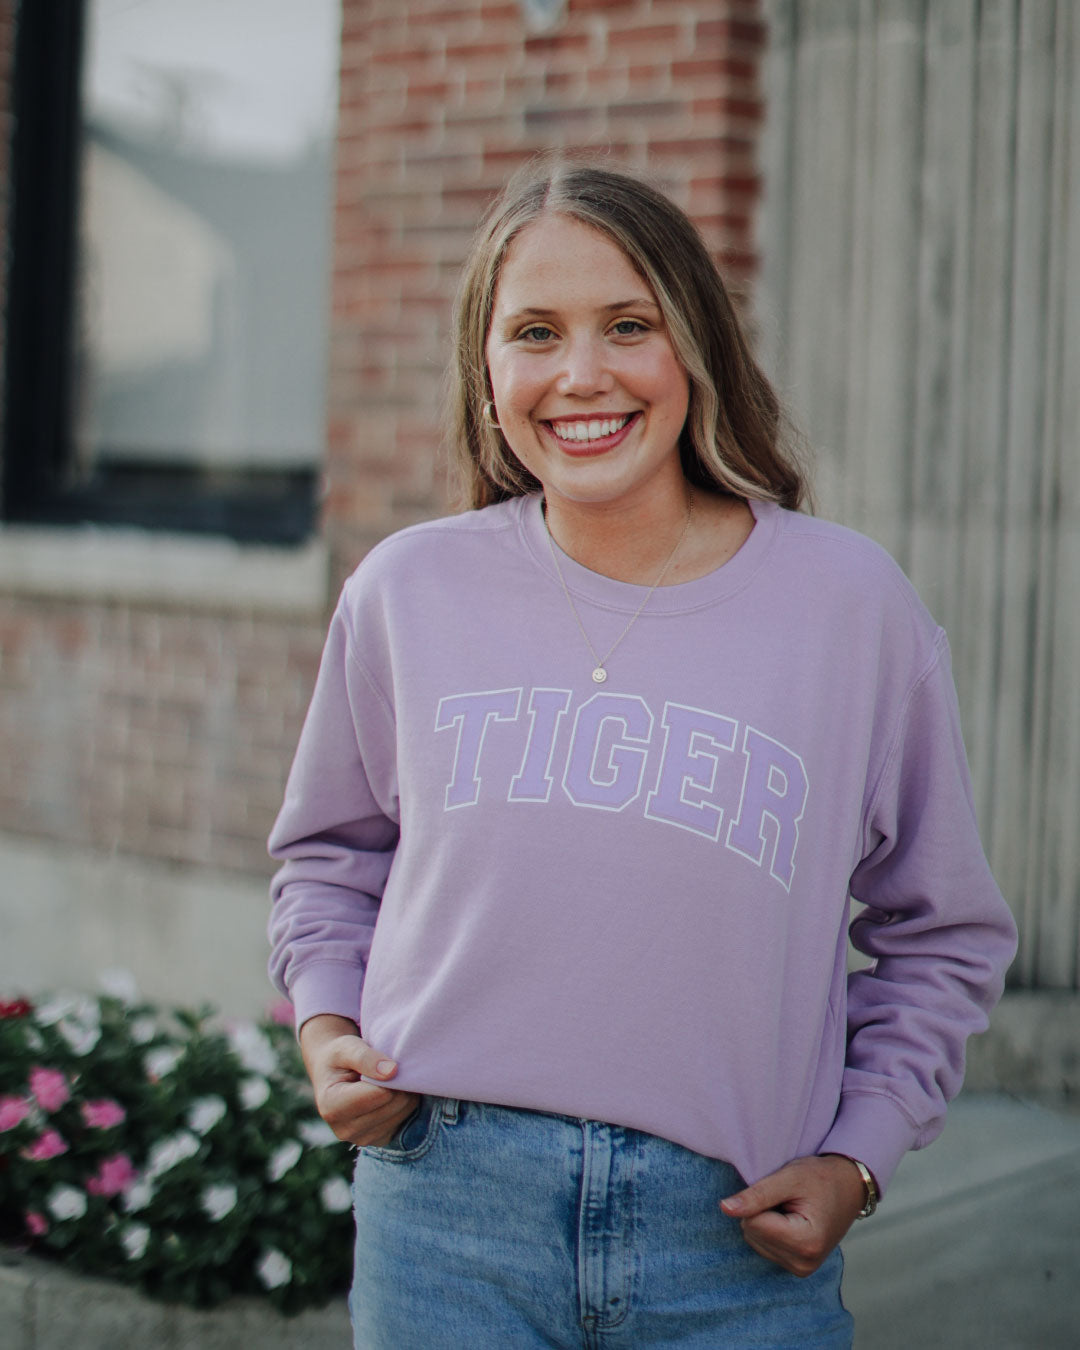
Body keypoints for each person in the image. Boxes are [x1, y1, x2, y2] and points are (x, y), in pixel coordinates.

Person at [268, 158, 1018, 1348]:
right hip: (447, 1218)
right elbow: (330, 859)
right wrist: (325, 1028)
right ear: (487, 372)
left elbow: (941, 929)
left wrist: (857, 1159)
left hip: (731, 1236)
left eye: (629, 325)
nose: (583, 375)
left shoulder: (848, 607)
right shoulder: (410, 592)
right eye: (535, 333)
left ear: (698, 349)